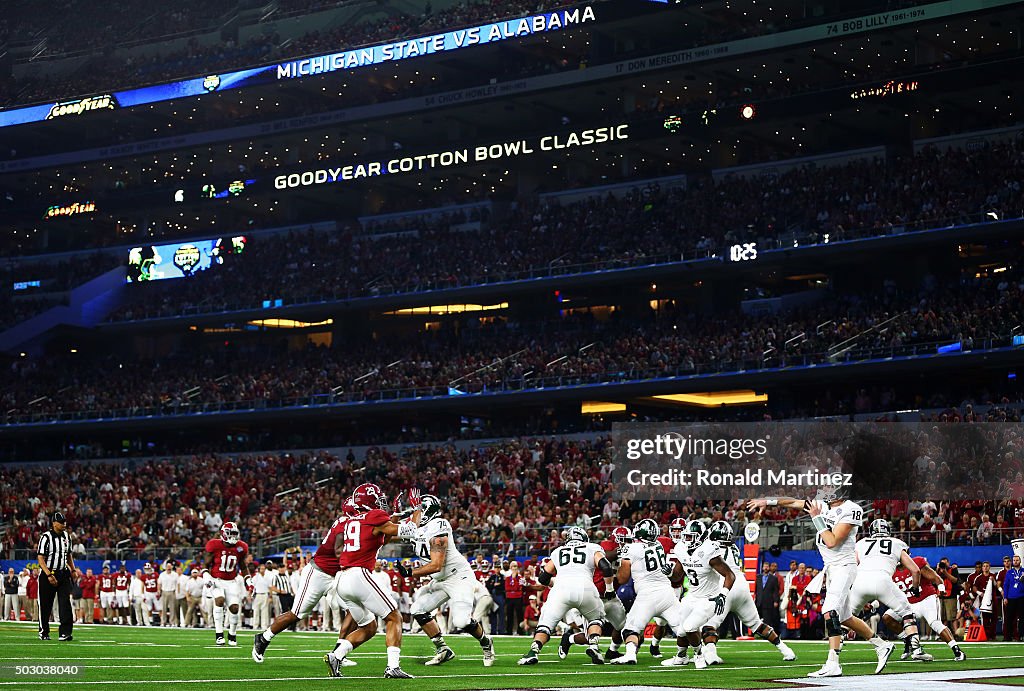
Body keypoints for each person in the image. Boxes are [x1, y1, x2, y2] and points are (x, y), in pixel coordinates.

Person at [748, 488, 895, 678]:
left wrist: (817, 518)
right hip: (832, 568)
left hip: (844, 566)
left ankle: (833, 664)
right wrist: (767, 502)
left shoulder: (851, 509)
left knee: (829, 611)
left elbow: (832, 541)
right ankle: (882, 646)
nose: (825, 492)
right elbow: (793, 502)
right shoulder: (823, 506)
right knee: (844, 617)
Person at [399, 494, 495, 667]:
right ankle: (443, 649)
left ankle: (486, 642)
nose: (415, 513)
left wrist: (409, 572)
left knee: (461, 621)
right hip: (441, 580)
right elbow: (390, 532)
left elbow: (436, 565)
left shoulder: (438, 526)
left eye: (419, 509)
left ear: (427, 511)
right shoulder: (416, 527)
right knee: (417, 609)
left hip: (458, 577)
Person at [518, 526, 612, 666]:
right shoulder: (592, 547)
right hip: (585, 587)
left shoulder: (558, 551)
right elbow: (606, 567)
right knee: (596, 619)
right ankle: (593, 646)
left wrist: (553, 583)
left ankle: (534, 651)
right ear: (584, 538)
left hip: (560, 589)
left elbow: (543, 578)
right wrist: (609, 589)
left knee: (546, 624)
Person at [611, 518, 686, 666]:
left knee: (630, 628)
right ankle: (698, 653)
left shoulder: (632, 548)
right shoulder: (658, 544)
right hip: (667, 593)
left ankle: (630, 655)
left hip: (647, 595)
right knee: (683, 628)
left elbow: (623, 578)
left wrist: (619, 566)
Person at [884, 554, 967, 660]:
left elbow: (936, 578)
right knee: (887, 617)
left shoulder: (916, 562)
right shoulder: (890, 572)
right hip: (908, 604)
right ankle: (909, 642)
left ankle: (957, 651)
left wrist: (941, 589)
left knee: (935, 623)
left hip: (926, 599)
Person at [204, 522, 252, 645]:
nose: (234, 537)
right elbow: (205, 565)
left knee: (235, 608)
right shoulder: (215, 545)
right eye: (231, 534)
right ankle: (219, 634)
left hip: (231, 581)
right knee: (219, 600)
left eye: (235, 534)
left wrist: (248, 580)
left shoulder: (241, 547)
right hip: (216, 580)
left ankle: (232, 634)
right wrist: (206, 576)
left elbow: (243, 566)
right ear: (224, 534)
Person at [36, 511, 76, 641]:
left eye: (64, 522)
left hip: (63, 573)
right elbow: (40, 557)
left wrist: (73, 570)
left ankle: (65, 632)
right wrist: (48, 574)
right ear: (54, 523)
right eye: (61, 522)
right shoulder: (46, 537)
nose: (64, 524)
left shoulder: (67, 536)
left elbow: (68, 554)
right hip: (48, 573)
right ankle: (44, 631)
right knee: (45, 604)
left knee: (65, 603)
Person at [1001, 555, 1023, 642]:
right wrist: (1005, 597)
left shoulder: (1023, 571)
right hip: (1011, 598)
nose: (1015, 562)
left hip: (1022, 597)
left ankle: (1021, 636)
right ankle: (1008, 636)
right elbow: (1005, 585)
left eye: (1017, 560)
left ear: (1020, 561)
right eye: (1014, 560)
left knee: (1022, 618)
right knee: (1009, 618)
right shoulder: (1009, 572)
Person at [251, 563, 273, 632]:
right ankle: (255, 625)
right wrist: (251, 595)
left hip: (265, 594)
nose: (263, 570)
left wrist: (270, 596)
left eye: (264, 569)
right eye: (261, 569)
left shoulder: (267, 577)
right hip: (257, 595)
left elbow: (270, 587)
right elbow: (252, 587)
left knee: (265, 611)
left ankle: (264, 626)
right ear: (259, 570)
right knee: (256, 610)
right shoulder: (255, 577)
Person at [159, 562, 179, 627]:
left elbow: (177, 584)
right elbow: (159, 583)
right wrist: (159, 591)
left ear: (172, 567)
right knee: (164, 608)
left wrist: (177, 592)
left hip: (172, 591)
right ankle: (163, 622)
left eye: (170, 567)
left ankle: (172, 622)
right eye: (167, 567)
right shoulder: (162, 575)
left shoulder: (175, 575)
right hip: (164, 591)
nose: (169, 568)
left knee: (172, 608)